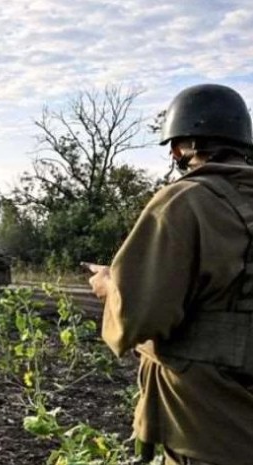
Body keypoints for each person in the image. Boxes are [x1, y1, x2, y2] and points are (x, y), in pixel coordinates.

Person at [88, 83, 253, 465]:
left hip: (213, 427)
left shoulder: (186, 201)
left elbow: (137, 316)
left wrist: (108, 286)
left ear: (181, 147)